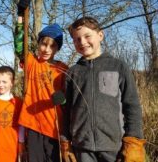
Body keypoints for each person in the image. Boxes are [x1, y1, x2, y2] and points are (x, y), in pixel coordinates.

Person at [62, 16, 146, 162]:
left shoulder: (118, 66)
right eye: (76, 39)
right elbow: (66, 110)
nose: (82, 42)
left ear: (100, 35)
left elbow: (132, 106)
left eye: (87, 36)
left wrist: (133, 142)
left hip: (114, 146)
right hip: (82, 147)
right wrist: (65, 141)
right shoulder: (72, 72)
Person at [15, 0, 69, 162]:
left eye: (52, 46)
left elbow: (69, 100)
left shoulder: (63, 69)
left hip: (54, 126)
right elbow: (19, 46)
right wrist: (21, 16)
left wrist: (63, 100)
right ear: (38, 44)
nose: (47, 49)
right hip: (33, 124)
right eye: (44, 44)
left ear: (57, 49)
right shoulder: (31, 62)